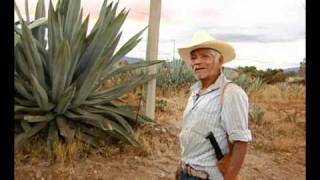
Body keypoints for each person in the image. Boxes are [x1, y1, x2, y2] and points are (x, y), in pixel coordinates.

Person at [175, 31, 252, 180]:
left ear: (220, 60)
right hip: (186, 173)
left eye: (205, 56)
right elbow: (193, 134)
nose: (197, 62)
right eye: (194, 58)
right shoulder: (194, 91)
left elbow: (241, 142)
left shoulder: (231, 93)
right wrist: (181, 167)